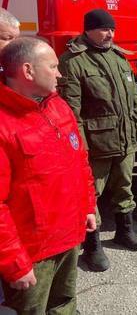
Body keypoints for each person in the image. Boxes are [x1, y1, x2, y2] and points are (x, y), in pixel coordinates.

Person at [0, 38, 96, 314]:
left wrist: (88, 206)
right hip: (33, 254)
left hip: (69, 236)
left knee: (65, 304)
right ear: (28, 71)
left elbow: (80, 161)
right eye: (53, 66)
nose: (59, 73)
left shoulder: (57, 106)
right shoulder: (4, 123)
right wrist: (14, 263)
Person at [58, 9, 137, 272]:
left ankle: (124, 230)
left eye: (112, 30)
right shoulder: (73, 61)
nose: (110, 34)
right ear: (88, 29)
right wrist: (80, 147)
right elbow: (71, 112)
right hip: (96, 145)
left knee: (124, 186)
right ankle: (92, 246)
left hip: (125, 140)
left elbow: (133, 99)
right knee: (90, 196)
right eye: (104, 29)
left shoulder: (118, 58)